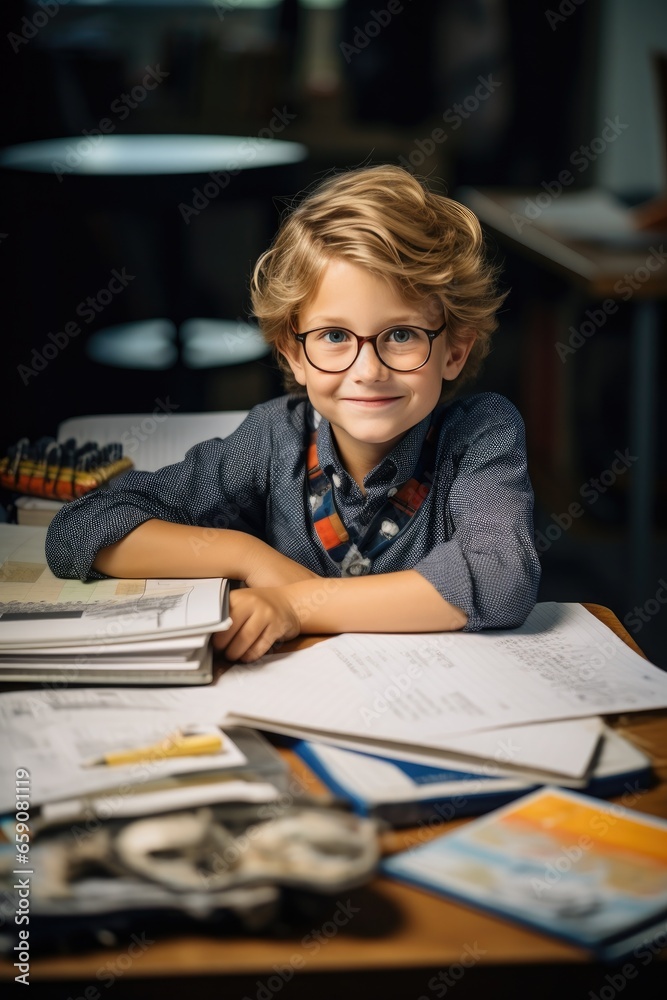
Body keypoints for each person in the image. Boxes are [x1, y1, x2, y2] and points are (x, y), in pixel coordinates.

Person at [45, 165, 540, 662]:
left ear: (454, 350)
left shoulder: (480, 435)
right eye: (334, 336)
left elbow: (500, 579)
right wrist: (249, 557)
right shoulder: (272, 441)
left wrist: (295, 604)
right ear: (293, 354)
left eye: (402, 334)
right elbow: (81, 529)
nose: (367, 370)